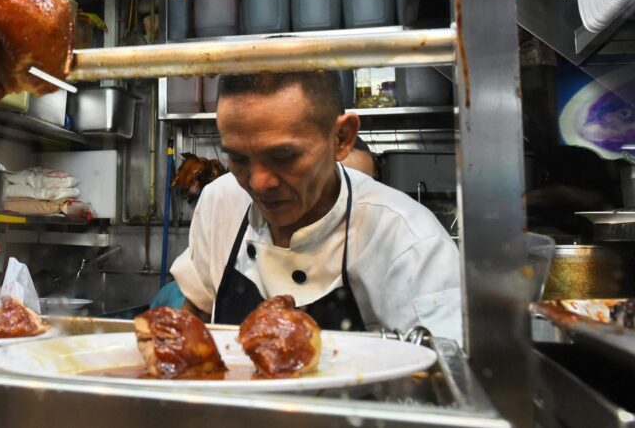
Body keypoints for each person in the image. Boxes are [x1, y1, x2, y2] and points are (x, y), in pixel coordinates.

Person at [171, 71, 462, 340]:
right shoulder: (221, 200)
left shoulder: (410, 242)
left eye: (284, 156)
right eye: (239, 158)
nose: (258, 183)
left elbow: (440, 378)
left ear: (341, 138)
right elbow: (196, 312)